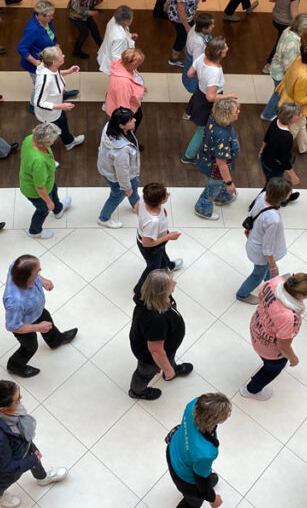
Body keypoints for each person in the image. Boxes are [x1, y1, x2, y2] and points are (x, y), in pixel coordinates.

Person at [0, 379, 68, 507]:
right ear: (3, 408)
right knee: (2, 483)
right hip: (8, 463)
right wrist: (31, 460)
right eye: (17, 400)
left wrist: (33, 458)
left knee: (35, 456)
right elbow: (6, 468)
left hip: (21, 442)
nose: (20, 400)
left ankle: (42, 478)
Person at [240, 272, 307, 400]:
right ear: (299, 295)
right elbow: (283, 346)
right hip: (268, 349)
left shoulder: (274, 282)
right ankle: (251, 390)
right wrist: (293, 358)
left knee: (267, 364)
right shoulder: (290, 318)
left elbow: (260, 297)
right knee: (271, 370)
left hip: (256, 327)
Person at [3, 254, 78, 376]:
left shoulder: (16, 266)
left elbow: (32, 274)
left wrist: (42, 280)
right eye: (37, 272)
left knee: (47, 319)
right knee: (30, 347)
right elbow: (13, 326)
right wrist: (38, 327)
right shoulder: (15, 302)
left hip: (36, 310)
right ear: (27, 277)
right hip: (24, 324)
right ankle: (15, 366)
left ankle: (56, 341)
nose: (39, 273)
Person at [129, 269, 192, 400]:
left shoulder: (153, 297)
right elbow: (156, 351)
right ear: (161, 291)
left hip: (167, 347)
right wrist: (168, 369)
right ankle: (137, 391)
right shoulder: (156, 320)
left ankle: (171, 367)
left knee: (168, 357)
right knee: (145, 373)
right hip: (149, 357)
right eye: (170, 283)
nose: (175, 283)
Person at [167, 392, 231, 508]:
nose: (226, 416)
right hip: (182, 476)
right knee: (193, 502)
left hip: (173, 449)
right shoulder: (206, 453)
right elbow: (201, 484)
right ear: (213, 420)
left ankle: (210, 479)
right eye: (225, 415)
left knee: (207, 476)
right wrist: (213, 498)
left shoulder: (193, 405)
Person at [236, 178, 292, 304]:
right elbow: (267, 248)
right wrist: (273, 265)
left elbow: (252, 213)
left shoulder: (262, 196)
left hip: (253, 240)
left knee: (264, 270)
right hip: (260, 252)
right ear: (281, 197)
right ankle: (242, 294)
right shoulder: (273, 219)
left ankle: (272, 284)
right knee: (258, 274)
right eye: (289, 192)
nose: (290, 193)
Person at [182, 37, 237, 163]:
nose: (227, 48)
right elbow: (211, 97)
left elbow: (190, 74)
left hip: (199, 96)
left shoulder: (202, 57)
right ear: (219, 52)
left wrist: (202, 77)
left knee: (204, 129)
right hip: (207, 104)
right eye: (225, 47)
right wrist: (229, 95)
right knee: (202, 131)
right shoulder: (214, 72)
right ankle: (189, 155)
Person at [19, 122, 72, 240]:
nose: (55, 141)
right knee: (43, 210)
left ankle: (58, 210)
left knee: (54, 190)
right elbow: (39, 187)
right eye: (53, 140)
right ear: (44, 143)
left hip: (47, 180)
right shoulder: (39, 162)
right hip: (36, 191)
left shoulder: (29, 139)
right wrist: (48, 202)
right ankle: (35, 231)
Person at [262, 13, 307, 122]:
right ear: (304, 27)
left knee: (278, 92)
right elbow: (289, 64)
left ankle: (272, 111)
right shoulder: (293, 42)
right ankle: (268, 114)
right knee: (279, 93)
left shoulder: (288, 30)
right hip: (281, 73)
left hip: (276, 67)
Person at [134, 182, 183, 299]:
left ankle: (169, 266)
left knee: (162, 252)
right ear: (159, 201)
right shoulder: (153, 221)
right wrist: (168, 236)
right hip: (151, 246)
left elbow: (136, 208)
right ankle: (139, 290)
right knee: (152, 268)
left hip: (156, 238)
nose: (168, 194)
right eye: (165, 195)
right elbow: (147, 243)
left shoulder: (143, 199)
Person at [32, 46, 84, 150]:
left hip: (57, 108)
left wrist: (68, 71)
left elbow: (54, 74)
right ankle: (45, 155)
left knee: (63, 122)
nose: (64, 56)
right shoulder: (44, 80)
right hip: (48, 114)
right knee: (48, 137)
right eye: (61, 56)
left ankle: (69, 142)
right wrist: (61, 106)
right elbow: (38, 102)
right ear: (54, 62)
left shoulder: (49, 67)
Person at [96, 107, 140, 229]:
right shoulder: (121, 151)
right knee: (118, 195)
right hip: (115, 176)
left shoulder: (110, 126)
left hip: (107, 167)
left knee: (135, 183)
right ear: (122, 126)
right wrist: (126, 188)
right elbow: (122, 172)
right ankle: (103, 218)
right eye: (131, 120)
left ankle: (136, 204)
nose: (135, 120)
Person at [264, 0, 302, 71]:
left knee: (280, 40)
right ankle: (269, 63)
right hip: (285, 22)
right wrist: (304, 18)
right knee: (280, 42)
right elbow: (293, 14)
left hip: (276, 17)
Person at [167, 0, 205, 66]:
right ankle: (174, 58)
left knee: (190, 34)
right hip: (180, 18)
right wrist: (186, 25)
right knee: (183, 36)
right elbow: (180, 8)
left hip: (186, 15)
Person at [261, 103, 305, 190]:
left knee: (272, 182)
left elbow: (267, 136)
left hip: (265, 158)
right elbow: (284, 159)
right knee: (271, 187)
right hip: (274, 165)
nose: (301, 115)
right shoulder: (287, 136)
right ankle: (262, 201)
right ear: (290, 118)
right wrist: (293, 176)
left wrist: (262, 149)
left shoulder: (276, 120)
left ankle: (284, 196)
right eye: (298, 114)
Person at [18, 0, 62, 76]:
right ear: (41, 15)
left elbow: (50, 34)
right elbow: (21, 48)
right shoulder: (33, 29)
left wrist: (55, 44)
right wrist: (35, 62)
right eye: (50, 15)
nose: (52, 17)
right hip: (38, 65)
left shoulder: (47, 21)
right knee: (40, 86)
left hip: (48, 60)